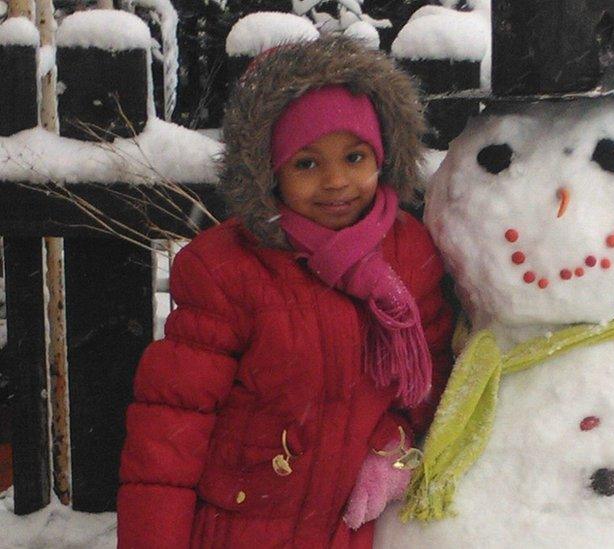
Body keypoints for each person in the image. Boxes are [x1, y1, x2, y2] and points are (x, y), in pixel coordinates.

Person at [116, 36, 454, 548]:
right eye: (307, 164)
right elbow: (170, 431)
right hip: (241, 528)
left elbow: (432, 377)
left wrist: (393, 442)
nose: (337, 181)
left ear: (381, 158)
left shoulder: (409, 254)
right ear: (271, 172)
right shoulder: (227, 270)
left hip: (347, 528)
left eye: (355, 156)